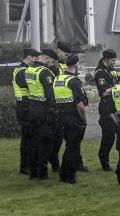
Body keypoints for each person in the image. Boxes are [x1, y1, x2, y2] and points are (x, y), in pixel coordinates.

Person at [54, 53, 88, 184]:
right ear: (75, 65)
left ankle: (63, 174)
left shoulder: (58, 79)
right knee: (73, 148)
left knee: (69, 146)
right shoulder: (73, 81)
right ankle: (69, 176)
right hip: (73, 118)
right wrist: (84, 120)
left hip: (61, 117)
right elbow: (80, 105)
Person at [24, 48, 58, 179]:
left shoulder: (29, 69)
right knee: (45, 142)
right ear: (47, 58)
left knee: (34, 142)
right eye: (52, 61)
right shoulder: (45, 72)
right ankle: (42, 173)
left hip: (32, 109)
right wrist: (54, 109)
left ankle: (33, 172)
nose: (52, 64)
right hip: (44, 111)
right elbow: (50, 94)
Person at [12, 47, 39, 175]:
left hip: (25, 106)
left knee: (30, 137)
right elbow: (30, 87)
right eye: (34, 58)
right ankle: (25, 166)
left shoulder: (22, 69)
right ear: (29, 57)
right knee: (27, 139)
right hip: (25, 107)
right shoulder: (22, 72)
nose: (35, 60)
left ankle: (28, 165)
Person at [94, 48, 120, 171]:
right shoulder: (100, 73)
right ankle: (104, 161)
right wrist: (118, 87)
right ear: (105, 60)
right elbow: (104, 92)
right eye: (112, 60)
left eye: (115, 60)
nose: (114, 62)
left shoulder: (112, 71)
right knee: (109, 137)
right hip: (106, 108)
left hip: (116, 107)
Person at [50, 40, 73, 172]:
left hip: (67, 105)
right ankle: (54, 161)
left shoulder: (65, 65)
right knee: (57, 137)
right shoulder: (55, 66)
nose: (67, 57)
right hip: (58, 105)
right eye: (66, 54)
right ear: (59, 52)